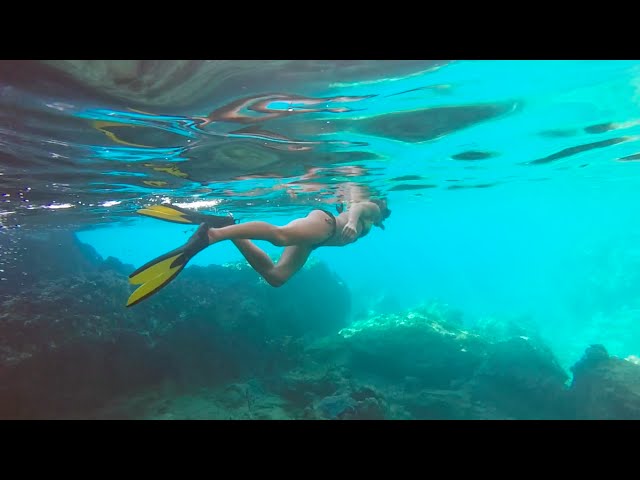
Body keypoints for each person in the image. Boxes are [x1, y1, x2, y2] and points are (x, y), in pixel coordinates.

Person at [125, 196, 391, 307]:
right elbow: (355, 205)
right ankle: (214, 234)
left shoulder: (376, 221)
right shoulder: (373, 208)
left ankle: (227, 227)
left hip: (316, 241)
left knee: (276, 277)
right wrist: (355, 222)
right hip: (325, 225)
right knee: (280, 236)